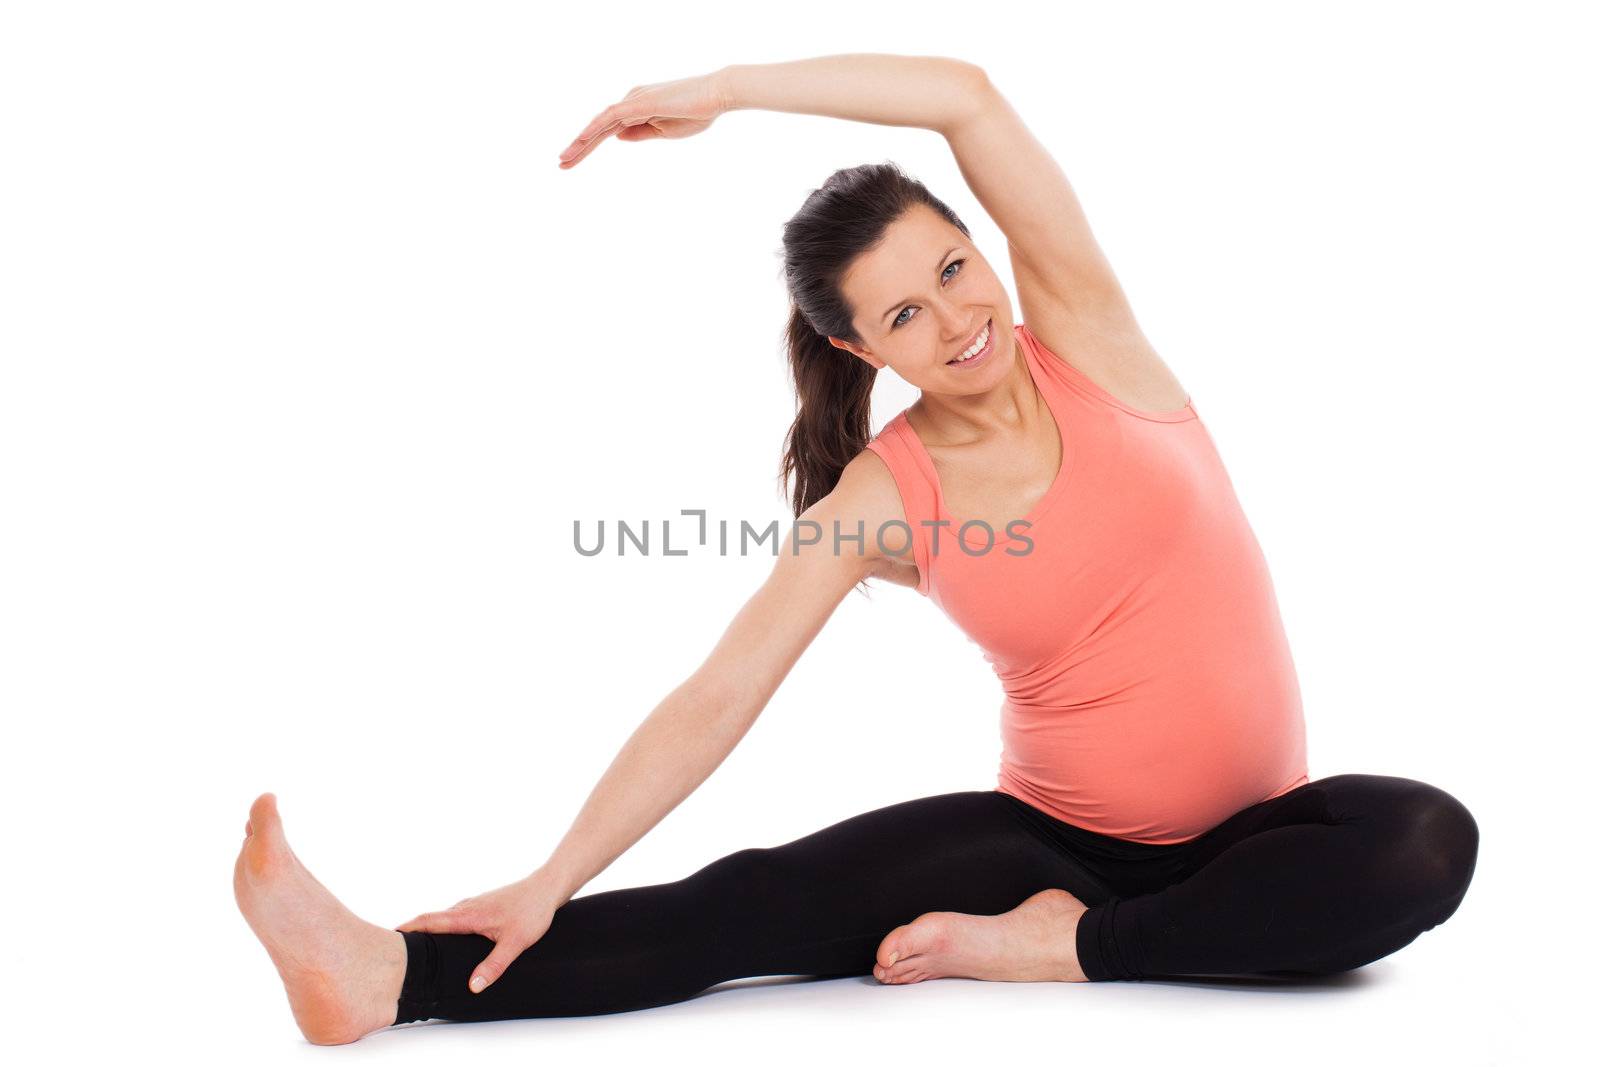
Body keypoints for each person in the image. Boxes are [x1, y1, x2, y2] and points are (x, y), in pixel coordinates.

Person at [233, 54, 1479, 1045]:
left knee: (1423, 841)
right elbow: (720, 691)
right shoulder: (882, 493)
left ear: (983, 246)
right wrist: (553, 869)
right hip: (1047, 838)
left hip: (1264, 843)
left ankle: (1062, 947)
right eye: (904, 313)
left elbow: (964, 95)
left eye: (953, 266)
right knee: (748, 903)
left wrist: (722, 91)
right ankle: (390, 976)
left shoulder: (1090, 338)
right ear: (860, 349)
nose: (957, 319)